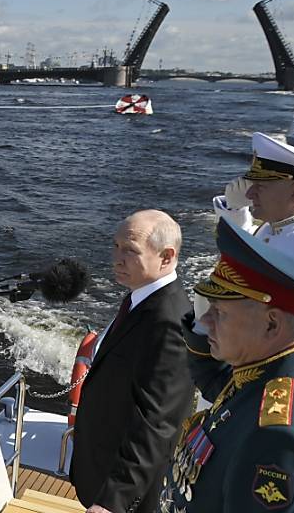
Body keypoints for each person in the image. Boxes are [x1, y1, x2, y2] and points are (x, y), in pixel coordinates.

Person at [163, 217, 294, 512]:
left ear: (271, 324)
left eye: (220, 313)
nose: (205, 321)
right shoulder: (265, 369)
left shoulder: (275, 433)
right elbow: (221, 383)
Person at [70, 210, 196, 513]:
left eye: (130, 250)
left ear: (166, 257)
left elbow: (158, 423)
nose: (117, 258)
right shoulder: (140, 300)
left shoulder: (169, 323)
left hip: (126, 497)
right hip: (99, 469)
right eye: (115, 246)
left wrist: (113, 501)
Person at [214, 133, 294, 252]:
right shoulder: (269, 228)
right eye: (252, 185)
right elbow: (244, 249)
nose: (249, 194)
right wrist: (234, 209)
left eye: (260, 186)